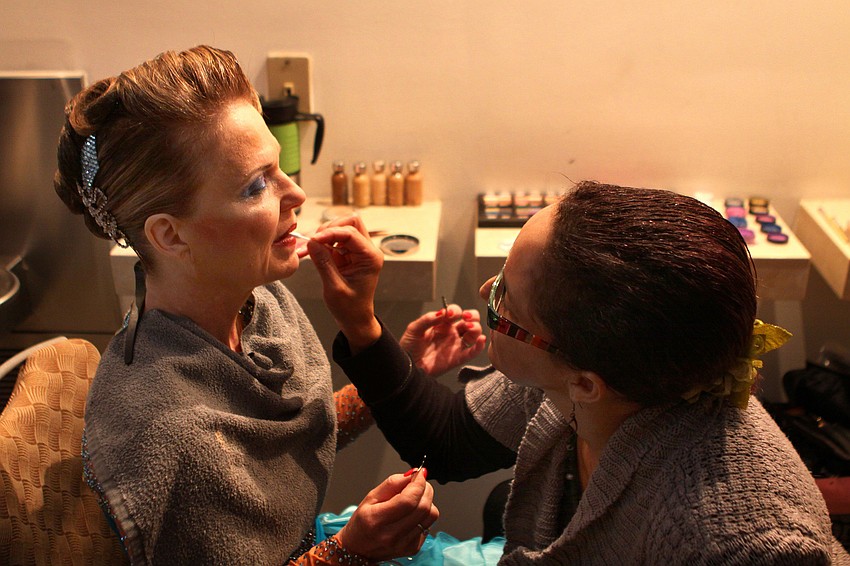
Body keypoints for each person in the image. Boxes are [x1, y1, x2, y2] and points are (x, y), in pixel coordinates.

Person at [54, 45, 486, 565]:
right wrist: (349, 552)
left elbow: (284, 439)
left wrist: (396, 368)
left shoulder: (260, 302)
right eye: (255, 185)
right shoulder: (169, 436)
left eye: (279, 168)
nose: (296, 193)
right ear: (170, 234)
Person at [308, 181, 850, 564]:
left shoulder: (729, 540)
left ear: (586, 383)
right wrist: (362, 324)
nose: (485, 292)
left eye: (504, 301)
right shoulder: (597, 373)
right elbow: (448, 441)